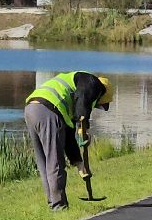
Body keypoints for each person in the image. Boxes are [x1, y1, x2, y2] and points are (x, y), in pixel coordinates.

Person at [23, 71, 112, 210]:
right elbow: (83, 100)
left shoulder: (70, 96)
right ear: (101, 94)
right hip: (48, 110)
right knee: (55, 162)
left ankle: (52, 201)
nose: (96, 107)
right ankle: (59, 206)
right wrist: (83, 123)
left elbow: (69, 138)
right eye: (99, 105)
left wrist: (79, 164)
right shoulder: (93, 83)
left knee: (44, 161)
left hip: (31, 109)